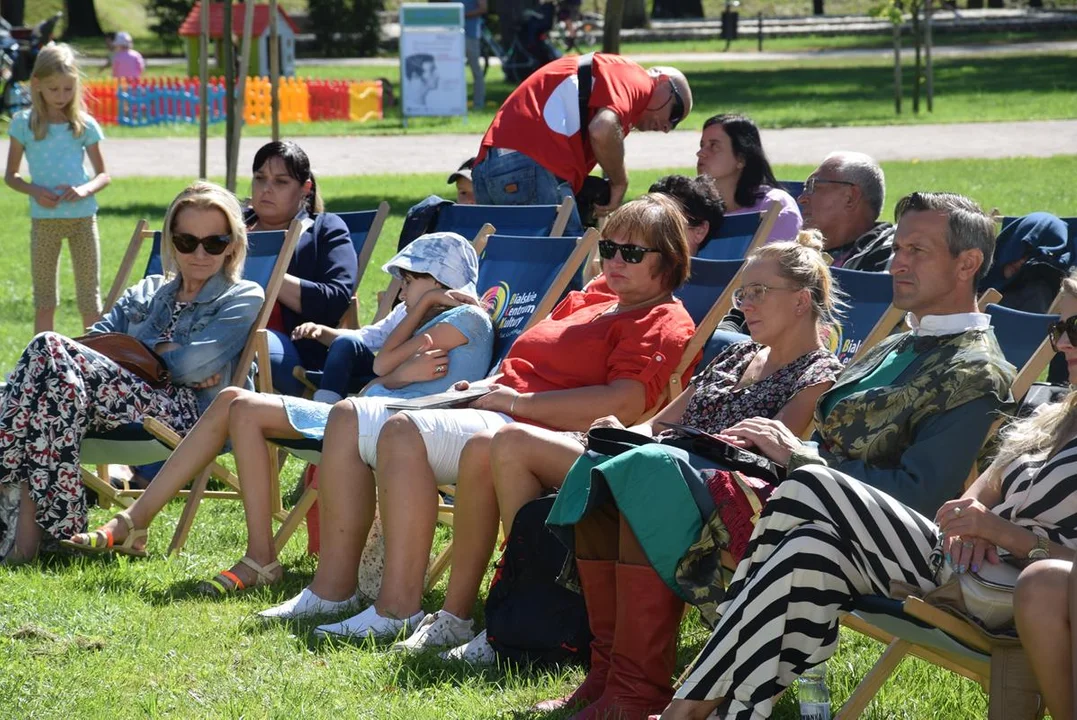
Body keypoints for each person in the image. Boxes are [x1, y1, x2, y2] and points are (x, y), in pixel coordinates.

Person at [398, 234, 846, 689]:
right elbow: (658, 424)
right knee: (499, 447)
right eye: (741, 293)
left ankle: (534, 614)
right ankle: (527, 613)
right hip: (652, 461)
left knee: (513, 444)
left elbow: (762, 456)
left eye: (758, 292)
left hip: (698, 490)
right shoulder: (737, 355)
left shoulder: (817, 376)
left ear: (800, 301)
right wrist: (619, 430)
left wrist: (649, 443)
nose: (745, 303)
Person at [257, 195, 697, 639]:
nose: (615, 260)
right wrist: (485, 388)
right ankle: (332, 590)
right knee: (347, 415)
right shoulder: (594, 299)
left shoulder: (661, 319)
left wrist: (515, 403)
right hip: (493, 402)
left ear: (670, 259)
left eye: (633, 253)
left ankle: (398, 607)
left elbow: (623, 403)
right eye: (609, 248)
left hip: (533, 426)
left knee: (403, 431)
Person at [658, 272, 1077, 720]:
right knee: (808, 551)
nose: (1063, 345)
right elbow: (984, 488)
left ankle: (685, 703)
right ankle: (723, 714)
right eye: (1059, 330)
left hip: (1008, 586)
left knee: (809, 483)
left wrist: (1000, 533)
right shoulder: (1055, 416)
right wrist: (968, 515)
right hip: (959, 555)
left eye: (1074, 331)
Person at [64, 233, 493, 594]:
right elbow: (389, 368)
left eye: (410, 281)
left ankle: (243, 555)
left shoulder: (468, 318)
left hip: (380, 429)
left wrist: (407, 344)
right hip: (364, 418)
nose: (402, 291)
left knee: (240, 405)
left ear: (438, 282)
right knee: (236, 401)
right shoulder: (435, 320)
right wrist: (401, 365)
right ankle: (168, 532)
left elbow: (382, 365)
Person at [0, 181, 263, 563]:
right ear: (172, 243)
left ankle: (40, 531)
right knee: (49, 384)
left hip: (188, 417)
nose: (200, 253)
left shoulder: (242, 296)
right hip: (104, 400)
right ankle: (53, 537)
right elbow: (96, 343)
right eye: (187, 242)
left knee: (44, 354)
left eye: (214, 242)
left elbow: (196, 366)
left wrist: (137, 355)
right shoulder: (147, 290)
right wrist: (164, 356)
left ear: (233, 245)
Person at [472, 53, 693, 236]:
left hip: (488, 168)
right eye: (674, 114)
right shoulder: (637, 78)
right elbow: (603, 129)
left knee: (506, 273)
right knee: (564, 272)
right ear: (662, 81)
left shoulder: (610, 83)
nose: (667, 127)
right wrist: (619, 183)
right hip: (532, 165)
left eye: (673, 126)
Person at [4, 43, 110, 334]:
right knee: (45, 299)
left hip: (83, 220)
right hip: (44, 222)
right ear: (36, 84)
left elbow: (103, 175)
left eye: (67, 88)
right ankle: (41, 364)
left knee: (90, 298)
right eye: (54, 89)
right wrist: (35, 190)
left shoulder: (83, 124)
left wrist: (85, 190)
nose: (61, 96)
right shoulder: (23, 124)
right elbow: (11, 176)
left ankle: (93, 363)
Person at [244, 141, 358, 396]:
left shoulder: (324, 230)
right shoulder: (233, 226)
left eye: (281, 182)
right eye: (260, 178)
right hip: (217, 328)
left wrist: (263, 273)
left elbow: (336, 299)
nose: (266, 189)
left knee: (241, 340)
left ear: (305, 188)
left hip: (289, 347)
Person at [584, 174, 725, 295]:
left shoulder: (715, 287)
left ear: (700, 231)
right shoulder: (612, 280)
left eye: (668, 222)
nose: (652, 229)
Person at [695, 114, 800, 244]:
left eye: (714, 146)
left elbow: (777, 263)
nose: (700, 153)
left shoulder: (775, 207)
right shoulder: (689, 205)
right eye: (702, 145)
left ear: (741, 158)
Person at [798, 151, 894, 271]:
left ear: (850, 197)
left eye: (813, 187)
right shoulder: (794, 253)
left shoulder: (890, 259)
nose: (801, 199)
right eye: (806, 188)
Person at [463, 0, 487, 109]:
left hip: (471, 34)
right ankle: (455, 104)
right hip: (453, 35)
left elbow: (483, 8)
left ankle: (478, 103)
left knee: (475, 70)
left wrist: (462, 15)